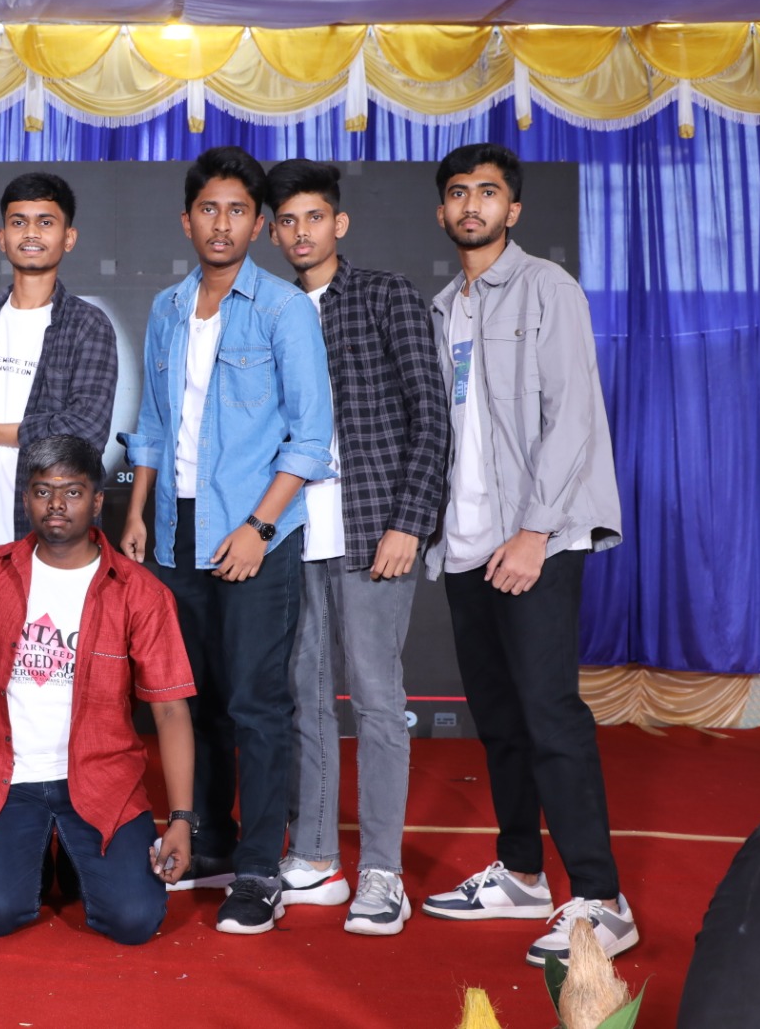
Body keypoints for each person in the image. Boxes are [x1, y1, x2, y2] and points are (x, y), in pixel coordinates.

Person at [418, 143, 636, 967]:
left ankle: (603, 900)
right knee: (501, 721)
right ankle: (519, 873)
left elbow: (573, 416)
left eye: (487, 192)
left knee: (549, 716)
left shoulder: (549, 288)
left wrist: (535, 533)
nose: (471, 204)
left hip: (536, 539)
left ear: (512, 210)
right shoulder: (444, 307)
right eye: (457, 193)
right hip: (468, 544)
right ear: (442, 211)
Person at [119, 146, 333, 935]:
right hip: (176, 530)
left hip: (253, 534)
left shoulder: (281, 309)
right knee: (194, 695)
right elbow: (150, 423)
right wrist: (137, 513)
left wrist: (260, 526)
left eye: (238, 210)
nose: (222, 223)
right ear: (187, 220)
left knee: (256, 704)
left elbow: (311, 439)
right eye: (209, 208)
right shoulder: (169, 307)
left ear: (258, 225)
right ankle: (209, 837)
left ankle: (258, 869)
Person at [264, 159, 449, 936]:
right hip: (293, 533)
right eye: (287, 221)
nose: (301, 232)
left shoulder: (384, 295)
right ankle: (314, 856)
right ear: (273, 232)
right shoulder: (270, 309)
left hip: (373, 528)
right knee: (302, 697)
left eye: (314, 217)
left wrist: (411, 522)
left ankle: (381, 871)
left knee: (375, 699)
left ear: (338, 223)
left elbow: (431, 416)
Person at [0, 435, 197, 945]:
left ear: (98, 500)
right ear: (27, 499)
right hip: (6, 779)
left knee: (135, 920)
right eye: (43, 491)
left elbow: (171, 711)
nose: (57, 504)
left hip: (100, 780)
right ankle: (37, 855)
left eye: (73, 492)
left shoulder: (139, 592)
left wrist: (180, 820)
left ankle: (71, 853)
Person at [0, 172, 118, 567]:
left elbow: (87, 428)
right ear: (2, 237)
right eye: (19, 221)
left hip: (48, 539)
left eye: (45, 221)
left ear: (69, 237)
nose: (31, 233)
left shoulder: (88, 325)